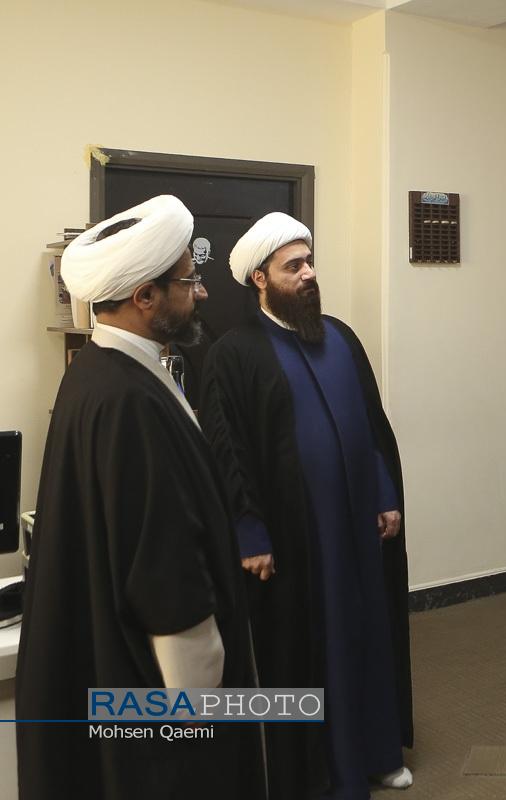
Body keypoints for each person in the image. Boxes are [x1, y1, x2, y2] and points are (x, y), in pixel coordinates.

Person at [16, 196, 263, 799]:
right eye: (189, 281)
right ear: (144, 296)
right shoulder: (127, 401)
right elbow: (165, 573)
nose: (201, 292)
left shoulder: (101, 370)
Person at [199, 212, 413, 799]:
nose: (309, 274)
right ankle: (327, 771)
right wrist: (249, 532)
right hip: (297, 538)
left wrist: (385, 494)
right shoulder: (233, 353)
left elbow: (371, 425)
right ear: (260, 279)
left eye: (310, 262)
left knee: (369, 635)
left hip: (358, 526)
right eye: (293, 266)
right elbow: (227, 452)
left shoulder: (340, 337)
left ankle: (378, 753)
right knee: (317, 648)